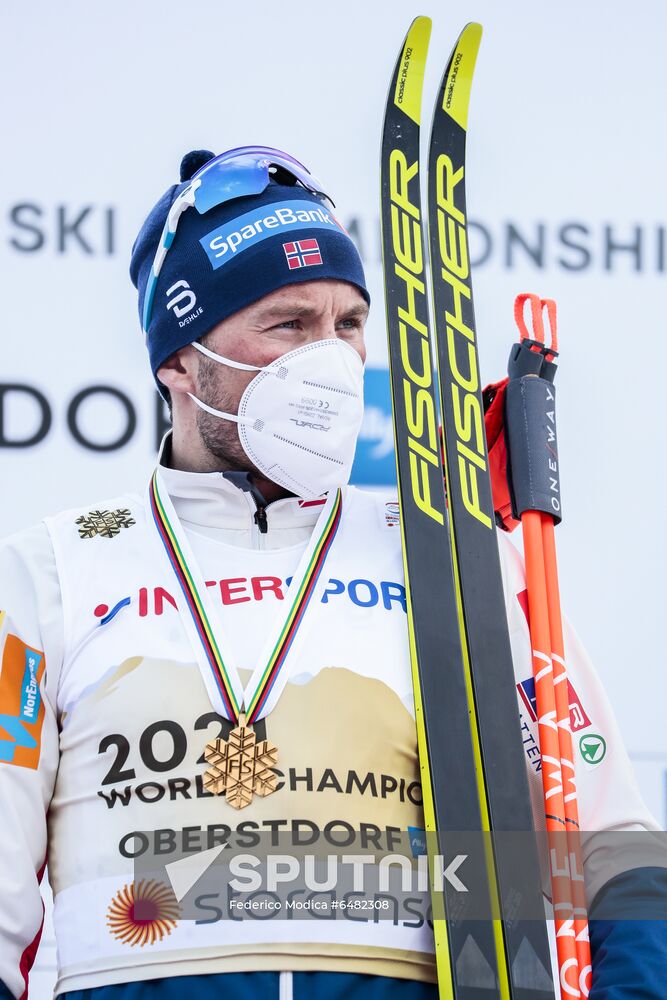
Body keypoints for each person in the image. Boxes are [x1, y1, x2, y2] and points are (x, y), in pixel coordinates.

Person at [0, 147, 664, 1000]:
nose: (330, 359)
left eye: (348, 324)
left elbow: (610, 837)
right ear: (178, 358)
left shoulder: (449, 552)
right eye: (287, 324)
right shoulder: (52, 570)